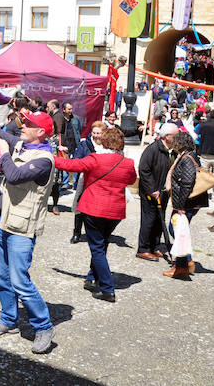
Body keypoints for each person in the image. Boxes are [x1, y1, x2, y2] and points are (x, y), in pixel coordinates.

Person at [0, 95, 57, 355]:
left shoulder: (44, 159)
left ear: (41, 132)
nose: (22, 125)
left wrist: (5, 154)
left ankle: (44, 326)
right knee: (2, 278)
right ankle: (8, 319)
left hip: (22, 229)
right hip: (3, 223)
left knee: (20, 281)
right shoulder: (23, 145)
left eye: (27, 123)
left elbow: (15, 175)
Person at [53, 128, 137, 302]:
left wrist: (47, 157)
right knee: (102, 243)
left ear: (103, 141)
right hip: (115, 211)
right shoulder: (127, 162)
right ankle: (92, 278)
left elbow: (69, 165)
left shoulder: (96, 159)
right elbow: (130, 180)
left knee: (97, 247)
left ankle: (107, 288)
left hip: (94, 208)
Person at [163, 131, 208, 279]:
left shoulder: (187, 158)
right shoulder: (187, 156)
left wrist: (181, 205)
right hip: (184, 202)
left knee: (178, 231)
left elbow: (187, 183)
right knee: (177, 230)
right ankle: (184, 261)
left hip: (185, 204)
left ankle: (182, 266)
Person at [136, 124, 179, 261]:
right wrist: (151, 189)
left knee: (159, 219)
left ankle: (155, 245)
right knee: (149, 219)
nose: (177, 138)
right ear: (167, 136)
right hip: (151, 192)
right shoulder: (153, 149)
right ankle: (143, 248)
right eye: (175, 135)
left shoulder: (172, 150)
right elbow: (144, 170)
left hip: (163, 191)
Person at [69, 121, 105, 244]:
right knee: (80, 205)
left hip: (100, 180)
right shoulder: (85, 144)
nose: (95, 135)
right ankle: (77, 233)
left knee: (96, 208)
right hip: (85, 178)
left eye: (98, 133)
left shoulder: (107, 145)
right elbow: (77, 159)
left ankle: (95, 233)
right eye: (94, 132)